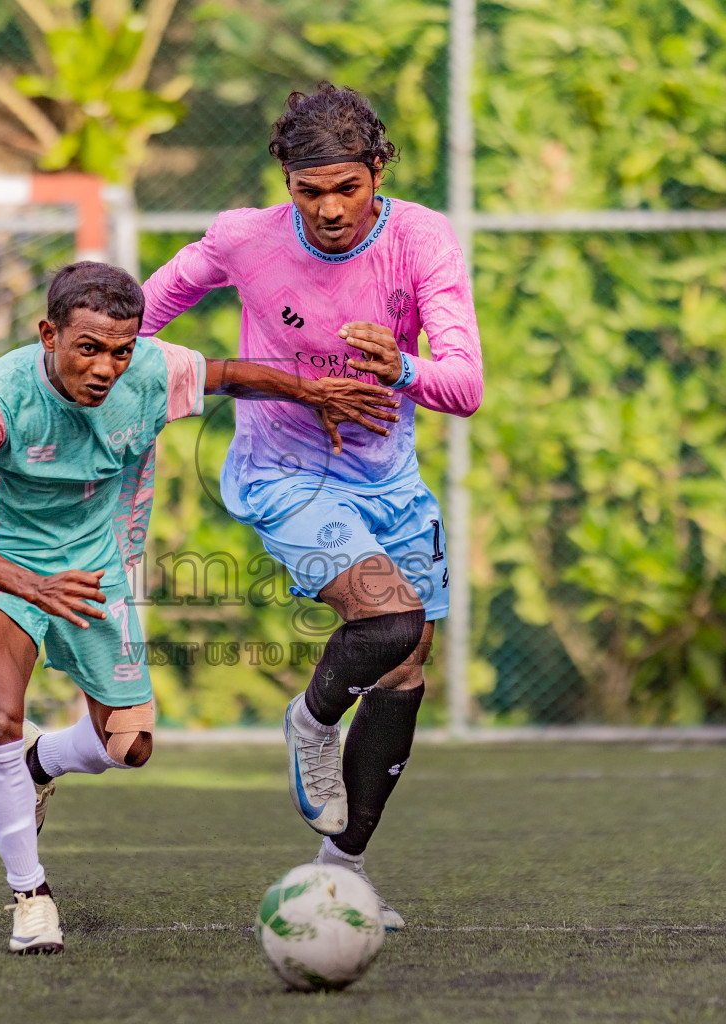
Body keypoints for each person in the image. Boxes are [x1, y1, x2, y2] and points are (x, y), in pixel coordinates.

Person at [0, 261, 397, 955]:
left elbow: (229, 374)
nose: (105, 368)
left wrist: (312, 392)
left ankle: (40, 764)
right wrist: (33, 587)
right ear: (48, 335)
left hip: (97, 569)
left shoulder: (152, 369)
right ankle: (30, 896)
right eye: (88, 348)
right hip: (2, 564)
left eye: (120, 351)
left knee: (129, 748)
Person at [139, 83, 483, 930]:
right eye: (309, 190)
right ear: (286, 183)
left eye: (346, 188)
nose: (329, 209)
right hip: (284, 473)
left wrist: (401, 368)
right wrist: (254, 384)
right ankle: (312, 719)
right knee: (391, 621)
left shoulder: (422, 240)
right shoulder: (243, 238)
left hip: (390, 481)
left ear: (377, 173)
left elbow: (465, 386)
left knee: (405, 668)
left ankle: (343, 870)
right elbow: (137, 323)